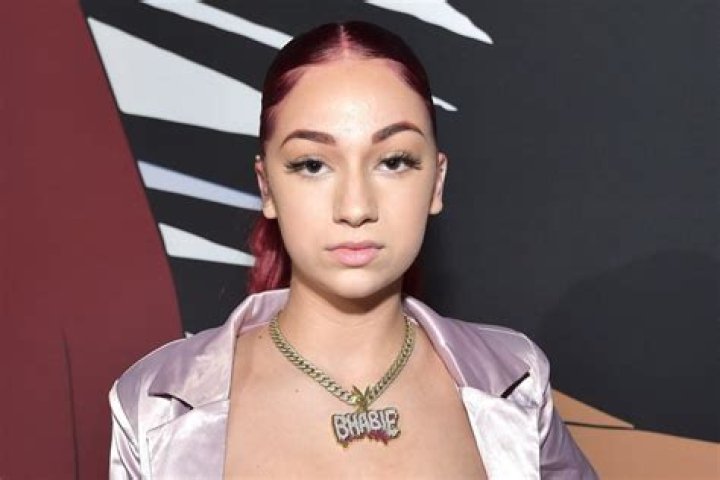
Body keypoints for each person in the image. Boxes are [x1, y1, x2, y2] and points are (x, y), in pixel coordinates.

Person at [109, 21, 596, 479]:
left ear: (437, 181)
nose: (356, 207)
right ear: (267, 187)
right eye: (313, 165)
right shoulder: (159, 404)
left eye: (394, 161)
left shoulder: (514, 382)